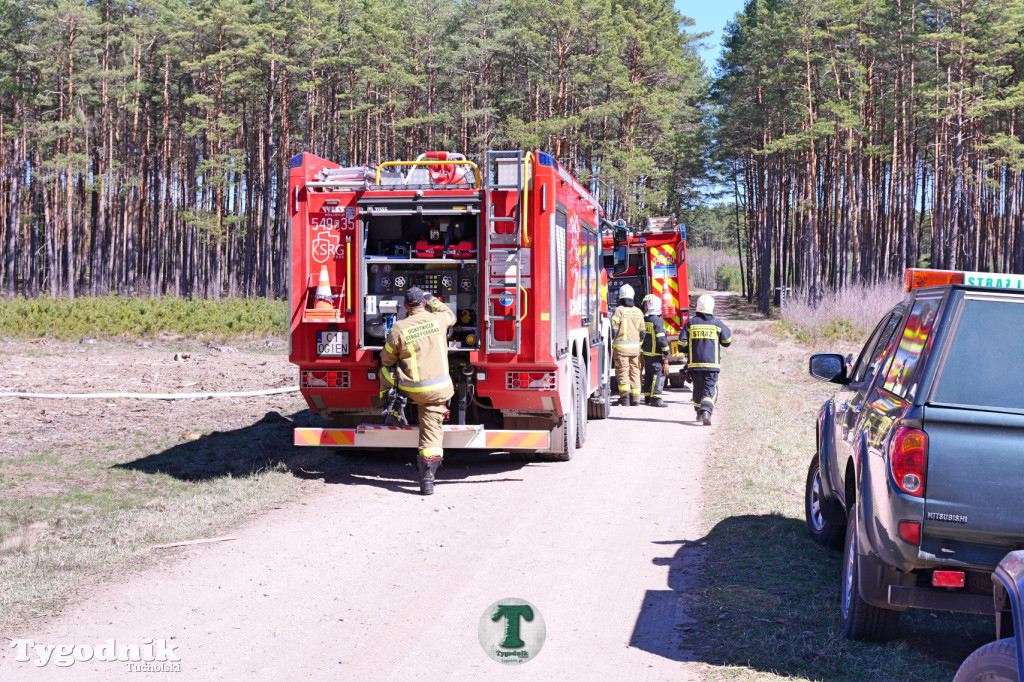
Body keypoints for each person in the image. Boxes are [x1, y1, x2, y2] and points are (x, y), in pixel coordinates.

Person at [379, 286, 456, 495]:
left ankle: (393, 409)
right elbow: (450, 314)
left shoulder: (398, 328)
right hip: (438, 391)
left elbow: (386, 359)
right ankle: (427, 480)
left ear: (405, 305)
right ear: (423, 303)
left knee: (384, 372)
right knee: (431, 433)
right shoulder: (439, 320)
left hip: (410, 390)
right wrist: (432, 298)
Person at [680, 294, 732, 425]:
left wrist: (689, 350)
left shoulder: (690, 323)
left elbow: (681, 344)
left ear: (697, 307)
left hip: (695, 365)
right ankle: (707, 412)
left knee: (697, 388)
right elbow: (727, 341)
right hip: (711, 365)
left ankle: (699, 411)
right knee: (710, 388)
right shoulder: (717, 324)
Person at [610, 283, 646, 406]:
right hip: (635, 350)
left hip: (621, 350)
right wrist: (638, 344)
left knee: (623, 372)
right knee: (636, 372)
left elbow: (614, 330)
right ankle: (636, 400)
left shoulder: (618, 310)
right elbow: (643, 332)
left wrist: (611, 342)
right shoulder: (638, 312)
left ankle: (624, 399)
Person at [640, 294, 670, 407]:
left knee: (648, 374)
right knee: (658, 374)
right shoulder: (657, 320)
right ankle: (656, 398)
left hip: (646, 353)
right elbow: (661, 338)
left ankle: (647, 397)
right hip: (655, 353)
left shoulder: (645, 319)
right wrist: (666, 352)